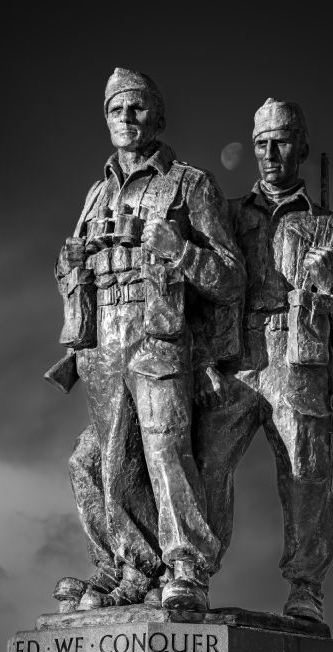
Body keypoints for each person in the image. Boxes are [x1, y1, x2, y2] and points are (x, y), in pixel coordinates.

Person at [53, 68, 244, 612]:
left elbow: (231, 278)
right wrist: (67, 266)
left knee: (165, 450)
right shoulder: (96, 193)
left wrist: (179, 250)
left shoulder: (190, 184)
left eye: (136, 108)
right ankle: (129, 568)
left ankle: (186, 569)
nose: (126, 119)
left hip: (158, 336)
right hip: (101, 345)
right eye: (116, 110)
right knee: (100, 463)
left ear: (157, 116)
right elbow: (78, 271)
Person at [194, 98, 333, 623]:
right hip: (236, 356)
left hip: (300, 359)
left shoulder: (332, 226)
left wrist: (332, 283)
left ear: (303, 148)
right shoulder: (226, 214)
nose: (270, 152)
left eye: (282, 141)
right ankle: (191, 571)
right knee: (206, 462)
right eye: (262, 142)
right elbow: (202, 297)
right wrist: (203, 361)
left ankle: (306, 589)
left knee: (307, 475)